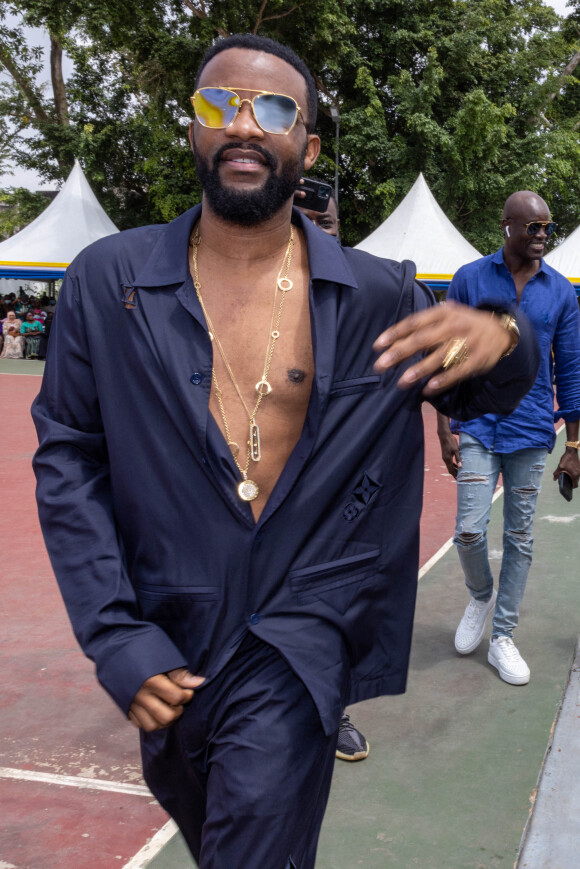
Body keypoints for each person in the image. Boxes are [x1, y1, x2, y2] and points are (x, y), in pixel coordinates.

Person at [33, 34, 540, 869]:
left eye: (271, 109)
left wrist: (505, 336)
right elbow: (70, 460)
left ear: (304, 147)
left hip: (301, 634)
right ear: (192, 130)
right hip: (170, 632)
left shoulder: (378, 293)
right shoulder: (108, 284)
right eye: (216, 105)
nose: (241, 123)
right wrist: (113, 633)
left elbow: (480, 389)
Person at [437, 191, 580, 686]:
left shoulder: (561, 292)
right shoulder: (470, 279)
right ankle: (480, 594)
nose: (542, 235)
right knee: (469, 531)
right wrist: (444, 428)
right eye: (533, 227)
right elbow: (446, 357)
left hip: (531, 426)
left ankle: (502, 636)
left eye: (547, 227)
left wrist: (575, 446)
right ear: (507, 227)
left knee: (520, 537)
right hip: (476, 423)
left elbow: (573, 370)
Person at [296, 181, 369, 762]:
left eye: (328, 223)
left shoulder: (362, 294)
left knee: (330, 604)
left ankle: (333, 709)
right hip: (246, 486)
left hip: (333, 490)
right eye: (305, 219)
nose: (318, 233)